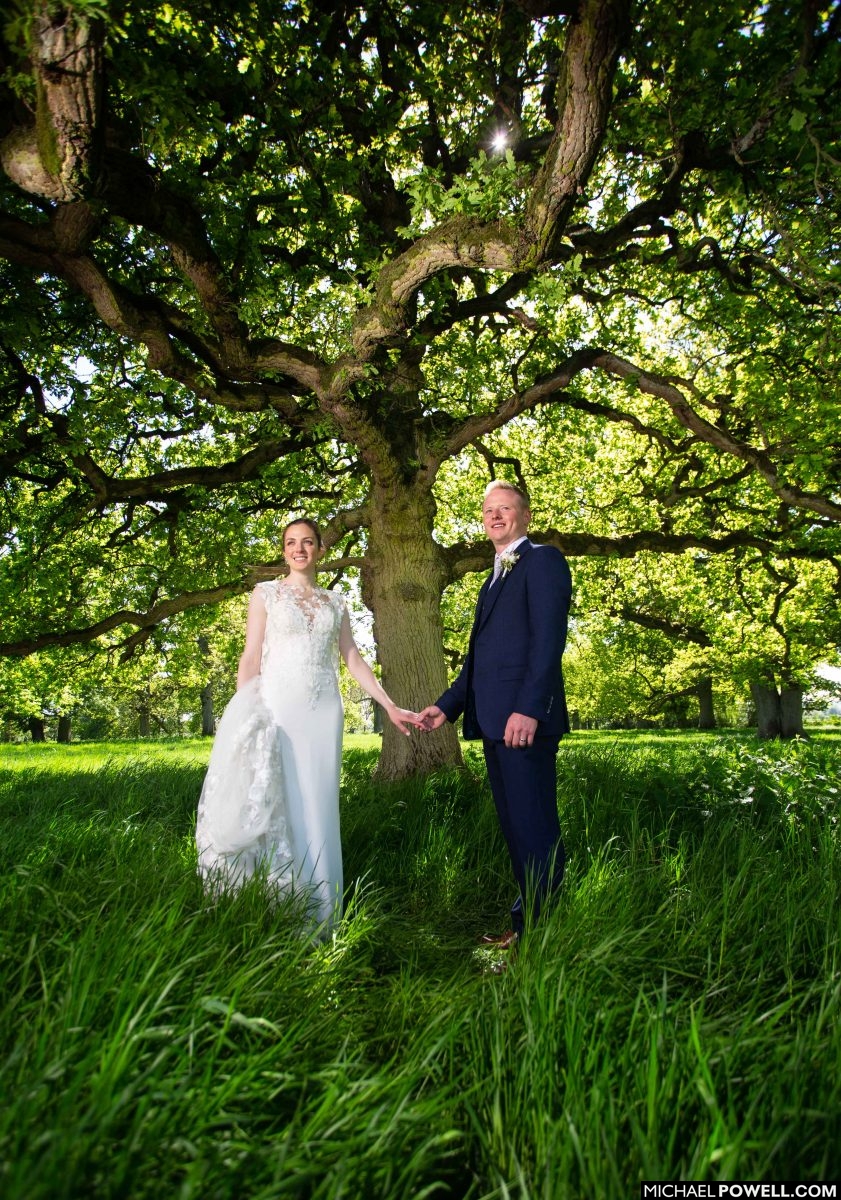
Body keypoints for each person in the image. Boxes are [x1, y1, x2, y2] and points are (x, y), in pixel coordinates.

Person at [196, 517, 420, 931]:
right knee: (273, 796)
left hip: (323, 714)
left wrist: (388, 704)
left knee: (316, 804)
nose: (299, 549)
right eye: (290, 543)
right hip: (277, 708)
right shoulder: (265, 595)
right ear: (283, 550)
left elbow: (353, 659)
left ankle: (319, 909)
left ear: (320, 549)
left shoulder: (335, 603)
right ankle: (269, 902)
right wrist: (246, 711)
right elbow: (250, 657)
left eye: (307, 542)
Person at [419, 480, 572, 948]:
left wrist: (529, 709)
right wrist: (445, 708)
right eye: (488, 511)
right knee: (516, 828)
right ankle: (527, 922)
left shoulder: (542, 561)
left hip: (523, 724)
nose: (494, 517)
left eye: (504, 509)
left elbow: (548, 642)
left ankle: (543, 935)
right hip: (493, 725)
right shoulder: (493, 577)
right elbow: (480, 662)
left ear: (525, 516)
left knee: (534, 825)